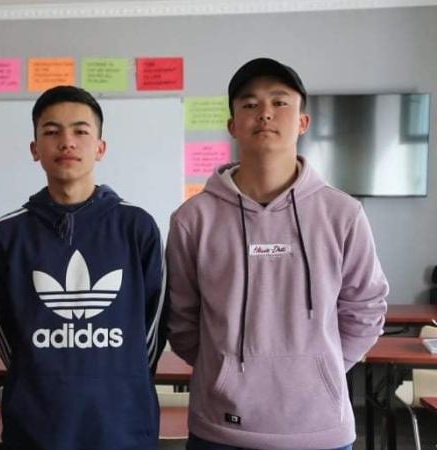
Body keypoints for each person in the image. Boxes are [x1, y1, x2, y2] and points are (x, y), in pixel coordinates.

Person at [166, 57, 389, 450]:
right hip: (221, 429)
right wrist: (224, 372)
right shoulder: (192, 219)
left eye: (279, 102)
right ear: (233, 125)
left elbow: (366, 310)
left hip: (320, 431)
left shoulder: (343, 214)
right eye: (250, 104)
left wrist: (320, 371)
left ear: (303, 121)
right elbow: (182, 320)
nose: (265, 113)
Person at [0, 85, 167, 450]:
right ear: (35, 148)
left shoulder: (138, 226)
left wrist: (118, 377)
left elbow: (152, 331)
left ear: (100, 147)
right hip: (36, 427)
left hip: (122, 424)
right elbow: (6, 335)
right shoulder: (6, 234)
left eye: (81, 131)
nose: (67, 142)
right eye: (52, 131)